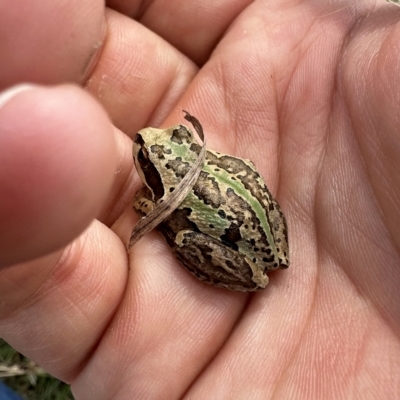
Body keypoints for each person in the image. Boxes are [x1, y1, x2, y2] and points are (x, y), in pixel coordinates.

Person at [0, 1, 399, 398]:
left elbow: (166, 210)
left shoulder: (158, 196)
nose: (149, 139)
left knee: (186, 236)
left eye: (150, 155)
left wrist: (163, 221)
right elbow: (241, 168)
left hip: (234, 242)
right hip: (256, 226)